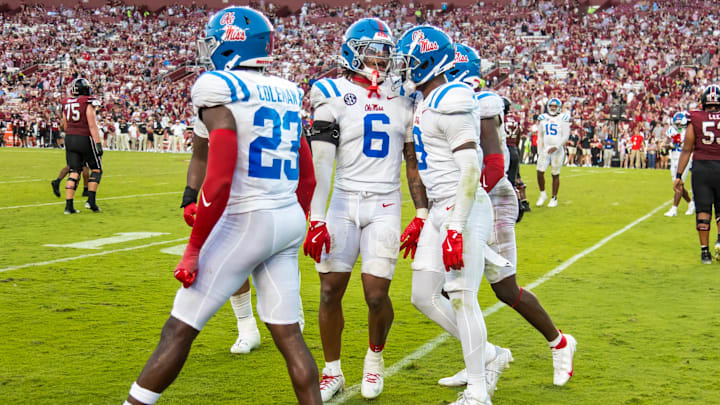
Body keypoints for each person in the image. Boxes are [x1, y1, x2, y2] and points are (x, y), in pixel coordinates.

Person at [124, 7, 321, 405]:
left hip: (248, 219)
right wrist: (296, 218)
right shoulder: (285, 90)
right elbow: (308, 173)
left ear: (230, 44)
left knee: (179, 327)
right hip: (287, 216)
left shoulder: (217, 86)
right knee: (288, 334)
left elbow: (221, 172)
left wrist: (195, 246)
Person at [435, 43, 576, 395]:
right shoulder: (443, 103)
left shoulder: (480, 103)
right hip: (466, 199)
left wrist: (465, 204)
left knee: (504, 289)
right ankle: (480, 359)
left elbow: (495, 163)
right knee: (445, 287)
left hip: (490, 199)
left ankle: (559, 343)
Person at [303, 18, 413, 401]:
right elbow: (321, 162)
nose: (380, 59)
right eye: (372, 50)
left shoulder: (405, 96)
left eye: (385, 52)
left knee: (376, 295)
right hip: (343, 200)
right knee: (330, 290)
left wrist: (424, 214)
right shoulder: (330, 91)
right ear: (353, 50)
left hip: (385, 201)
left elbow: (413, 161)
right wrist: (316, 220)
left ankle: (374, 358)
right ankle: (332, 371)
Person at [395, 26, 494, 405]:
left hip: (463, 207)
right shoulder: (426, 98)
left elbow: (471, 167)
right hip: (441, 208)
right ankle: (484, 354)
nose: (405, 70)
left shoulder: (452, 97)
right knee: (423, 294)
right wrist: (426, 216)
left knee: (462, 297)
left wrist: (455, 226)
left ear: (427, 60)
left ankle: (478, 389)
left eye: (409, 62)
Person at [673, 85, 720, 264]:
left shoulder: (695, 117)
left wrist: (679, 175)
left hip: (701, 168)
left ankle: (705, 253)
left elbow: (687, 149)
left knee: (703, 211)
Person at [60, 78, 103, 214]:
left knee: (74, 171)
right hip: (84, 137)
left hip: (70, 138)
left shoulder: (66, 102)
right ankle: (91, 201)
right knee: (96, 169)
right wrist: (98, 143)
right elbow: (92, 125)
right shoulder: (87, 102)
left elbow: (65, 124)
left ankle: (69, 206)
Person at [535, 98, 571, 208]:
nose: (553, 108)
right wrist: (539, 150)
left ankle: (554, 198)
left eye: (555, 106)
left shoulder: (563, 118)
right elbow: (540, 136)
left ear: (559, 108)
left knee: (555, 173)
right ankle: (542, 194)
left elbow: (566, 135)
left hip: (558, 150)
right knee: (539, 171)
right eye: (551, 106)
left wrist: (557, 146)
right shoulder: (543, 118)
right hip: (546, 149)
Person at [664, 112, 694, 217]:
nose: (678, 126)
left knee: (679, 184)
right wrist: (671, 144)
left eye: (679, 124)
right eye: (676, 124)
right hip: (674, 158)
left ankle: (674, 209)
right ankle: (691, 204)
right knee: (679, 184)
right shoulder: (671, 130)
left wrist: (682, 143)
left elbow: (692, 146)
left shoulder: (689, 131)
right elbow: (666, 145)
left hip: (684, 159)